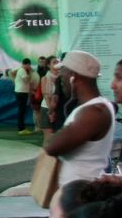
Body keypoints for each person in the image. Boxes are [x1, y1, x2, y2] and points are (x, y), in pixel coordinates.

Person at [43, 51, 113, 186]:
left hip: (83, 192)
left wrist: (57, 136)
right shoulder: (90, 107)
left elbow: (52, 147)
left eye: (63, 72)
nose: (60, 78)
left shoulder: (93, 112)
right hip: (78, 190)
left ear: (73, 76)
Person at [8, 57, 41, 135]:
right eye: (28, 65)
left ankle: (22, 128)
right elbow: (26, 80)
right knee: (21, 111)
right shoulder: (22, 70)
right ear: (27, 64)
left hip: (22, 92)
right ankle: (21, 129)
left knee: (22, 111)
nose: (29, 67)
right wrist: (30, 72)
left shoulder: (22, 70)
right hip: (21, 93)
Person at [40, 56, 61, 143]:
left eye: (58, 62)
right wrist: (51, 112)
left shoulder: (62, 77)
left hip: (59, 108)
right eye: (54, 62)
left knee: (58, 138)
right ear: (48, 65)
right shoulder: (45, 78)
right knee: (48, 138)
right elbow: (46, 96)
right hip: (47, 108)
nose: (57, 64)